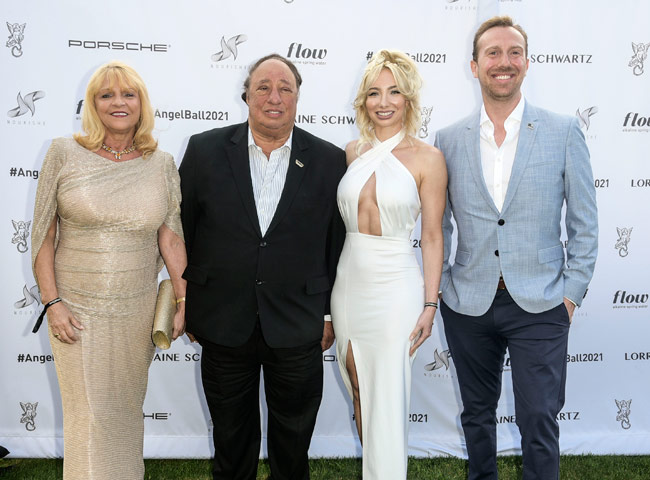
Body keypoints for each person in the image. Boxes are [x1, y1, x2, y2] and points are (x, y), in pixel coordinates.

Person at [434, 16, 598, 480]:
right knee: (476, 415)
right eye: (492, 53)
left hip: (543, 301)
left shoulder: (563, 131)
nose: (503, 62)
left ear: (526, 63)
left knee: (539, 417)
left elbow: (585, 223)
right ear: (474, 66)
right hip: (468, 302)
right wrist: (443, 286)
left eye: (513, 52)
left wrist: (570, 295)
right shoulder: (448, 139)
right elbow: (437, 224)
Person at [179, 53, 346, 480]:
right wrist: (193, 302)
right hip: (222, 321)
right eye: (264, 88)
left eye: (285, 88)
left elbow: (335, 244)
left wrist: (328, 314)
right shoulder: (204, 150)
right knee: (231, 442)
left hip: (298, 322)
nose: (274, 97)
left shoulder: (329, 160)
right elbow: (184, 231)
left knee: (293, 444)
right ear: (247, 96)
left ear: (297, 98)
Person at [31, 61, 187, 480]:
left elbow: (171, 238)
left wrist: (183, 299)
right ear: (93, 104)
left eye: (128, 94)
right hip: (75, 311)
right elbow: (43, 235)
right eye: (107, 95)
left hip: (136, 313)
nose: (119, 102)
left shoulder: (161, 163)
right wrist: (52, 303)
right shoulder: (63, 153)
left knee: (123, 415)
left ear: (142, 104)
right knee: (89, 417)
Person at [331, 50, 447, 479]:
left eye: (394, 92)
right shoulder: (352, 152)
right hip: (349, 282)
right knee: (358, 385)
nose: (384, 102)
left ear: (408, 99)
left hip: (396, 286)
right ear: (363, 100)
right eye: (375, 92)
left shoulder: (428, 158)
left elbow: (432, 236)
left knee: (388, 394)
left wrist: (430, 305)